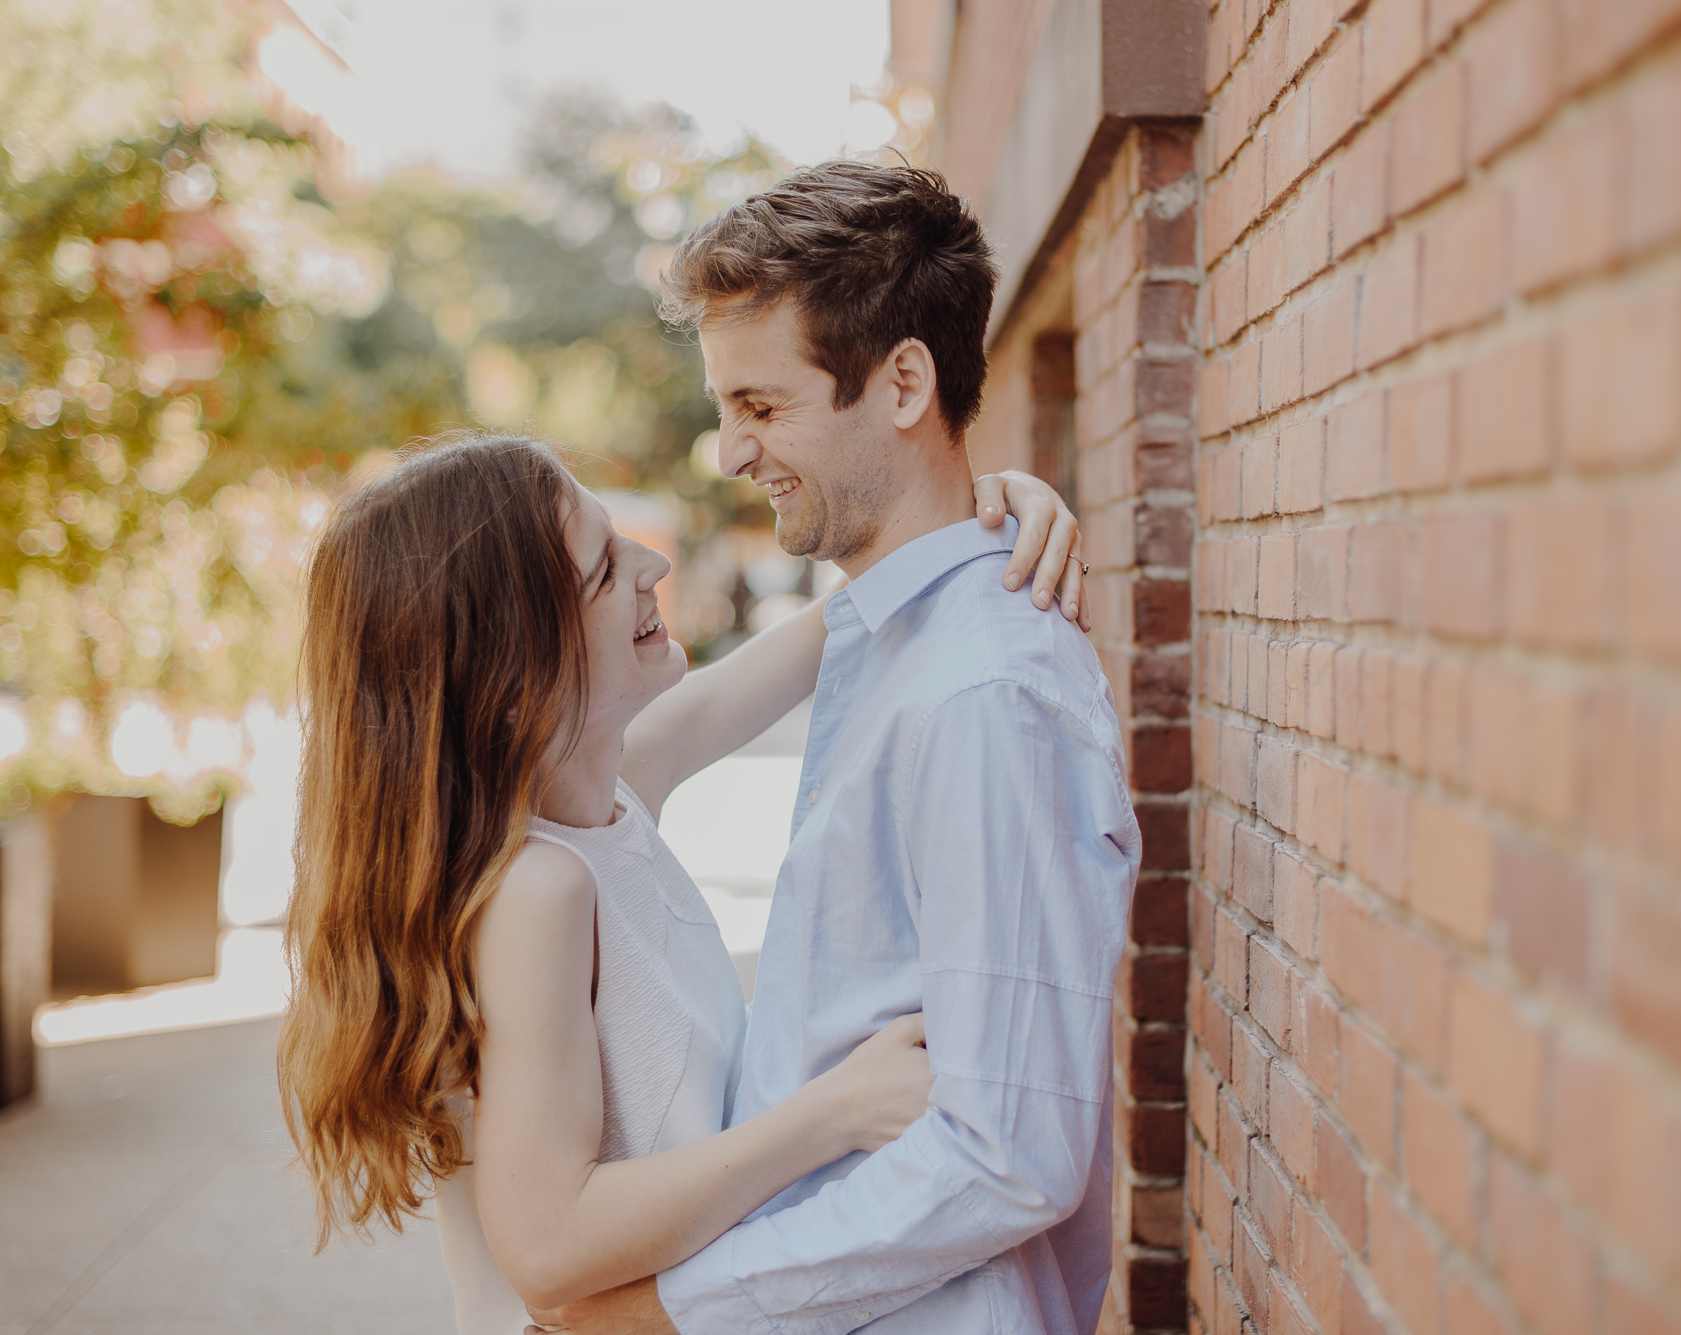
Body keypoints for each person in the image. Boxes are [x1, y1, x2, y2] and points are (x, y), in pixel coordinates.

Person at [277, 429, 1087, 1334]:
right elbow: (547, 1246)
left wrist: (980, 517)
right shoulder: (537, 894)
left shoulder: (609, 793)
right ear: (512, 671)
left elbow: (835, 629)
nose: (652, 562)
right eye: (602, 570)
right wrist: (834, 1113)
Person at [528, 162, 1141, 1335]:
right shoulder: (886, 641)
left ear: (902, 379)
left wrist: (669, 1313)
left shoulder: (982, 694)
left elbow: (1007, 1149)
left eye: (760, 407)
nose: (726, 451)